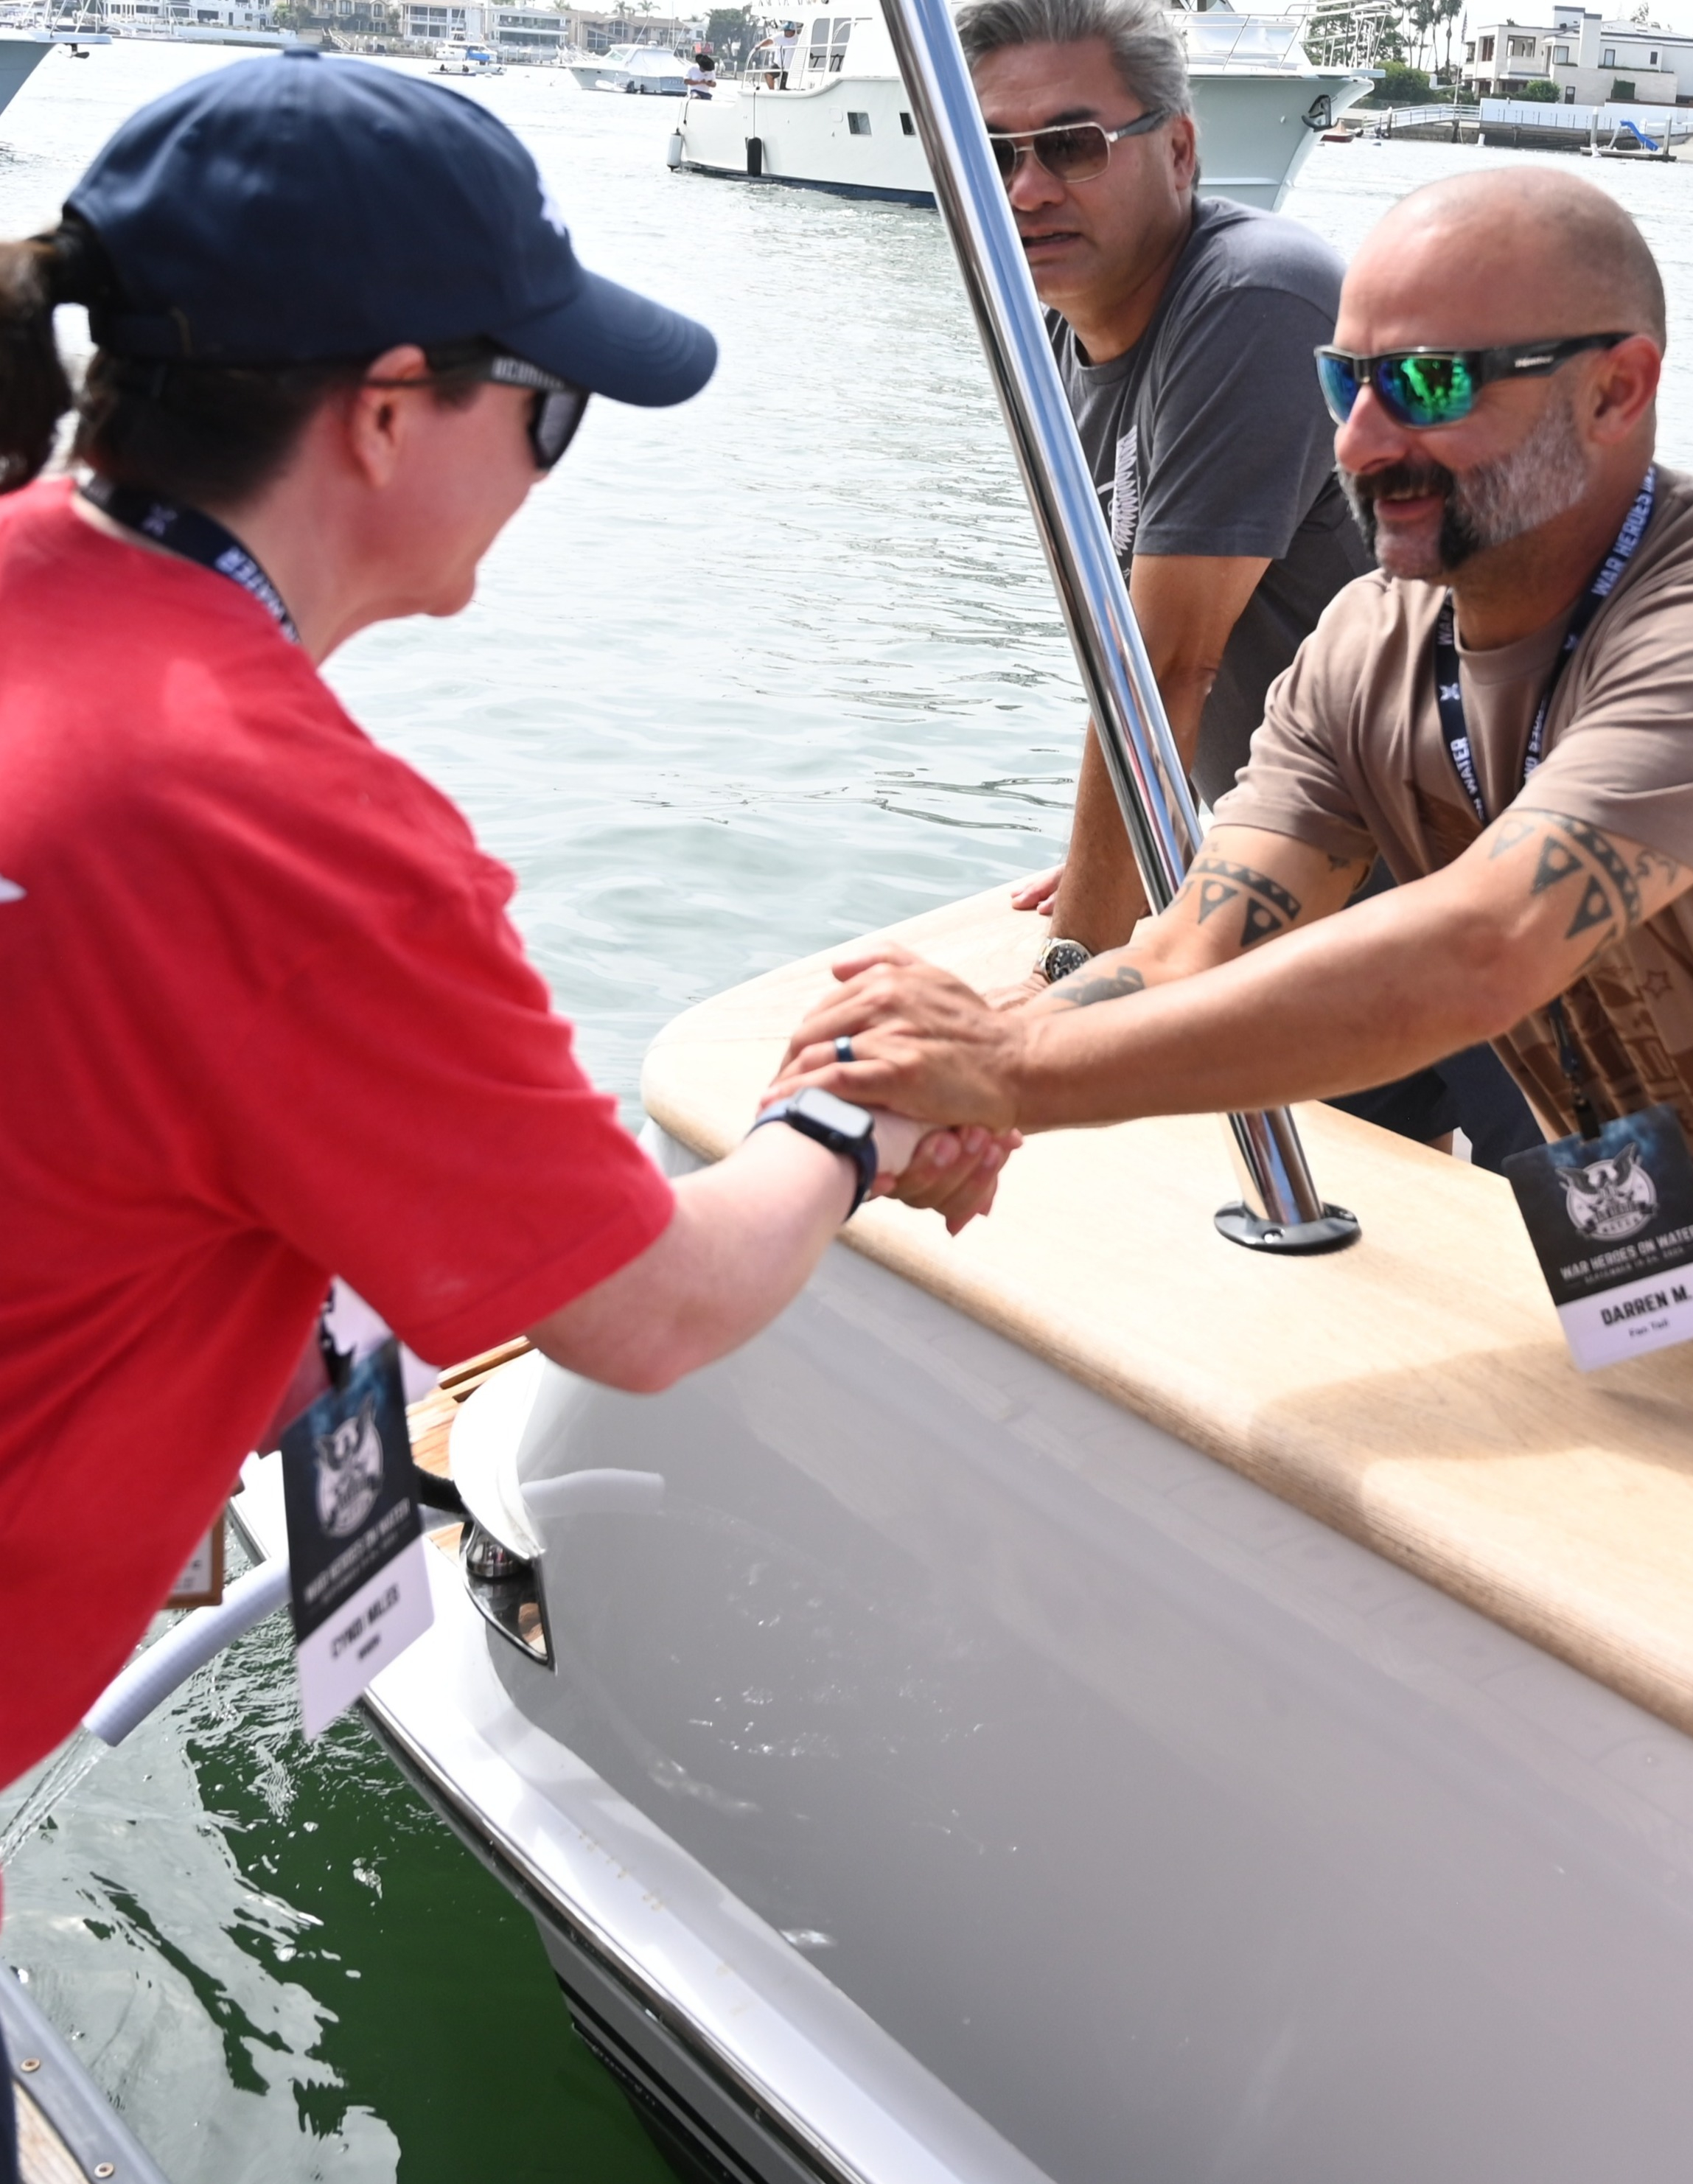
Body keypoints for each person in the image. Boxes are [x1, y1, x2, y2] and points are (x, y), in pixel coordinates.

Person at [789, 167, 1693, 1431]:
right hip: (1672, 1289)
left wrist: (1011, 1076)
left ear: (1618, 389)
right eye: (1348, 385)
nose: (1363, 443)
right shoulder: (1362, 647)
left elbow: (1478, 952)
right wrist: (977, 1048)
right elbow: (1186, 944)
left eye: (1436, 386)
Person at [0, 55, 986, 1791]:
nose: (552, 462)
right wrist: (853, 1113)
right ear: (386, 415)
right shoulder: (287, 837)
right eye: (550, 405)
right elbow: (648, 1312)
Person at [971, 0, 1537, 1163]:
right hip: (1327, 853)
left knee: (1621, 1267)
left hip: (1473, 863)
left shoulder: (1249, 299)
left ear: (1179, 148)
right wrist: (1133, 836)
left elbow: (1170, 659)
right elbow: (1171, 660)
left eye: (1071, 146)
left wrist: (1074, 962)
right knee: (1369, 1220)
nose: (1027, 191)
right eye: (995, 154)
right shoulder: (1080, 347)